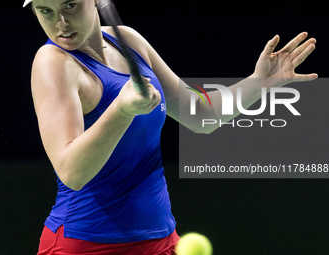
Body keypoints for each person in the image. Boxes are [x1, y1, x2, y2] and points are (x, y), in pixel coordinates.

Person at [23, 0, 317, 254]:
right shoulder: (52, 63)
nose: (60, 22)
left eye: (70, 5)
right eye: (45, 10)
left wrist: (259, 82)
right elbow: (72, 171)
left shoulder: (128, 41)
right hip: (86, 245)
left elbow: (200, 114)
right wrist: (121, 110)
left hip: (160, 240)